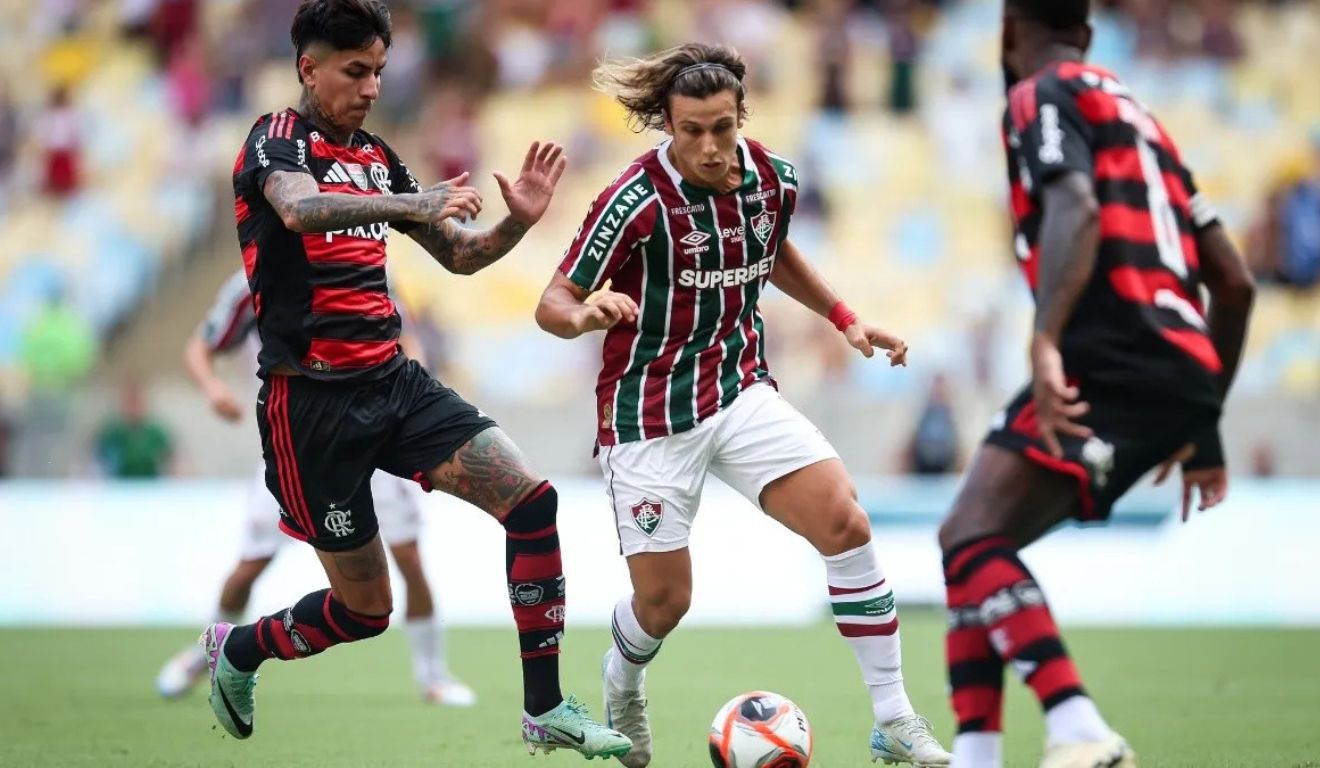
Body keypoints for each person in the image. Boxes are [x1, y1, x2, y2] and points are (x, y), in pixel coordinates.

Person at [202, 0, 630, 759]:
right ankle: (241, 650)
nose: (370, 88)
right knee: (365, 612)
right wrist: (413, 200)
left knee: (532, 503)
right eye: (354, 71)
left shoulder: (375, 156)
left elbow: (460, 255)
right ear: (309, 67)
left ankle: (544, 709)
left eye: (379, 72)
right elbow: (300, 214)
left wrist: (517, 223)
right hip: (311, 407)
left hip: (395, 385)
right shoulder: (274, 142)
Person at [535, 43, 951, 768]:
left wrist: (845, 317)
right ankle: (621, 677)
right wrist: (583, 316)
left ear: (740, 118)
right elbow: (553, 300)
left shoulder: (771, 178)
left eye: (721, 127)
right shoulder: (632, 201)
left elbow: (774, 247)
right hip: (650, 415)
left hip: (738, 386)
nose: (708, 145)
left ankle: (894, 717)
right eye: (691, 129)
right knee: (665, 604)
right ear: (666, 123)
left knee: (846, 522)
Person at [937, 3, 1255, 767]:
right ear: (1086, 30)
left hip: (1112, 354)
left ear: (1010, 30)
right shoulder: (1139, 115)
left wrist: (1044, 337)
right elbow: (1235, 282)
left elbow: (1073, 205)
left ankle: (1077, 726)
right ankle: (978, 752)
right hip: (1171, 368)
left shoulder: (1039, 95)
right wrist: (1202, 423)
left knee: (973, 535)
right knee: (974, 540)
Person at [155, 269, 475, 707]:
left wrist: (411, 391)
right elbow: (201, 344)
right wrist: (213, 390)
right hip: (295, 443)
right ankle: (205, 655)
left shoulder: (363, 262)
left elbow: (408, 335)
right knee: (250, 564)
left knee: (410, 559)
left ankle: (432, 676)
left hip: (376, 439)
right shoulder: (252, 280)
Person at [93, 379, 175, 479]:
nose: (134, 407)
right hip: (120, 487)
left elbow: (171, 459)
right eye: (130, 402)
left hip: (151, 486)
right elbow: (97, 461)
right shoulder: (113, 433)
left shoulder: (155, 433)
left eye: (137, 402)